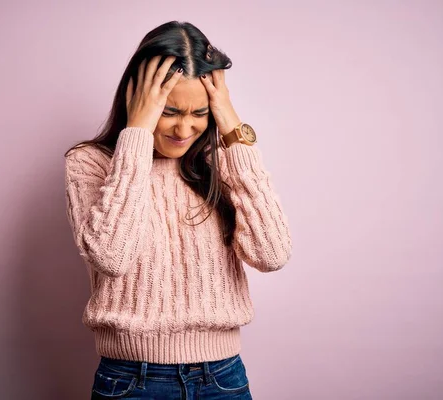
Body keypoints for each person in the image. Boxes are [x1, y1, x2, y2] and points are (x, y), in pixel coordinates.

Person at [64, 20, 292, 399]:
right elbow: (111, 256)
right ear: (138, 100)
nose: (184, 129)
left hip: (223, 378)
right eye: (169, 111)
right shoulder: (90, 163)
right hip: (130, 382)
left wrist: (231, 123)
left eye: (200, 113)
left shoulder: (224, 161)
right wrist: (136, 134)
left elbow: (272, 254)